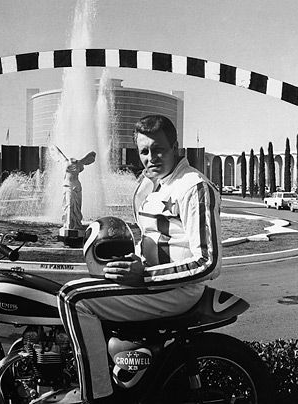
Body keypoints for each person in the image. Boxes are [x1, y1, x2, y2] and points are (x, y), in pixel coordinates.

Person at [57, 115, 222, 403]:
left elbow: (208, 262)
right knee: (87, 282)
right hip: (152, 283)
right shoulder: (148, 183)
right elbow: (148, 236)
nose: (150, 158)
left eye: (158, 150)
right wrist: (123, 262)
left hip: (177, 289)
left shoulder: (193, 186)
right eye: (144, 151)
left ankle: (97, 397)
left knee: (72, 297)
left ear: (175, 148)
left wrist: (144, 276)